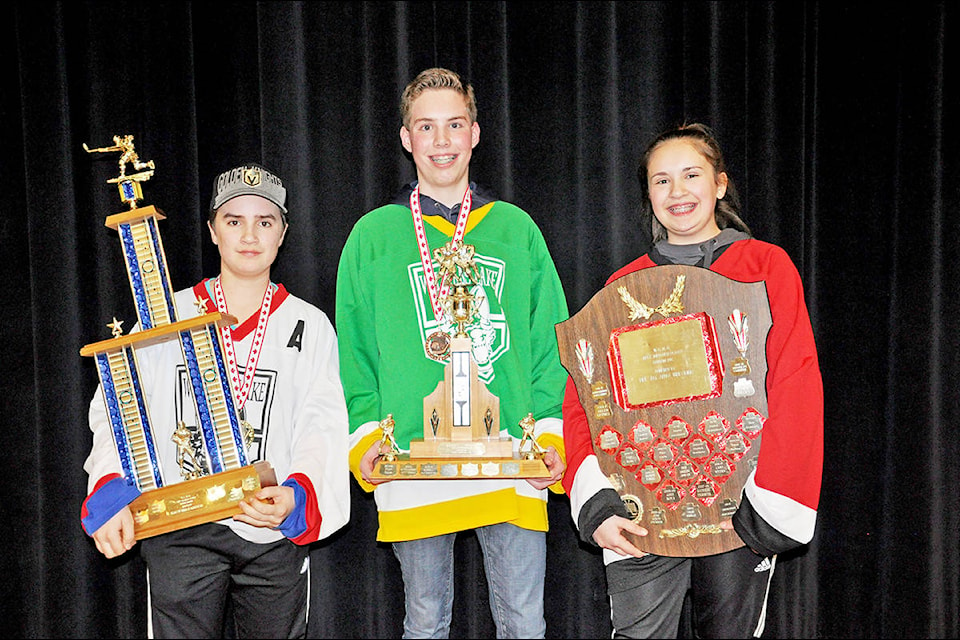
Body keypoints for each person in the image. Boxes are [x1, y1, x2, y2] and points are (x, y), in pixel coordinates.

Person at [561, 123, 823, 638]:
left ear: (719, 184)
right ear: (649, 195)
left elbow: (795, 381)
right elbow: (585, 400)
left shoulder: (765, 267)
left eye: (690, 175)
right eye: (661, 181)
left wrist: (772, 498)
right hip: (641, 510)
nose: (676, 192)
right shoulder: (623, 285)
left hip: (738, 511)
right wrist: (595, 501)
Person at [335, 67, 569, 639]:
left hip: (513, 451)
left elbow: (550, 340)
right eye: (426, 127)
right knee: (424, 623)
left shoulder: (516, 229)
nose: (441, 141)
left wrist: (553, 431)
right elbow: (354, 351)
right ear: (406, 138)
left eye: (454, 125)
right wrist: (367, 436)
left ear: (476, 134)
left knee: (524, 623)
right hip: (412, 457)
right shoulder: (372, 236)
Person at [81, 163, 351, 638]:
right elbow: (116, 409)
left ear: (283, 232)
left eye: (265, 222)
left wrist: (296, 495)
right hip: (180, 524)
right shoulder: (167, 315)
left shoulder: (308, 325)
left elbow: (322, 424)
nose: (250, 235)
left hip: (268, 521)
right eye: (234, 221)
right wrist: (109, 490)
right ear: (212, 230)